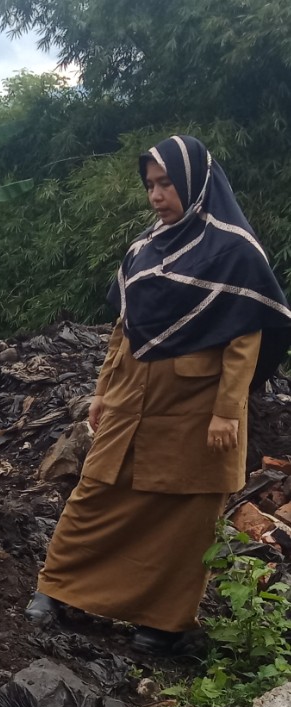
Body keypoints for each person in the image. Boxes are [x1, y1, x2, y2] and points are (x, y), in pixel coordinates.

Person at [26, 135, 291, 655]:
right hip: (132, 397)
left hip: (198, 408)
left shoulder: (234, 251)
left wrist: (225, 411)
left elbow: (245, 338)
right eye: (150, 184)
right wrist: (102, 393)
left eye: (166, 182)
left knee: (187, 517)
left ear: (195, 182)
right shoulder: (143, 251)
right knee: (96, 492)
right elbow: (123, 330)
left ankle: (162, 623)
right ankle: (57, 590)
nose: (156, 194)